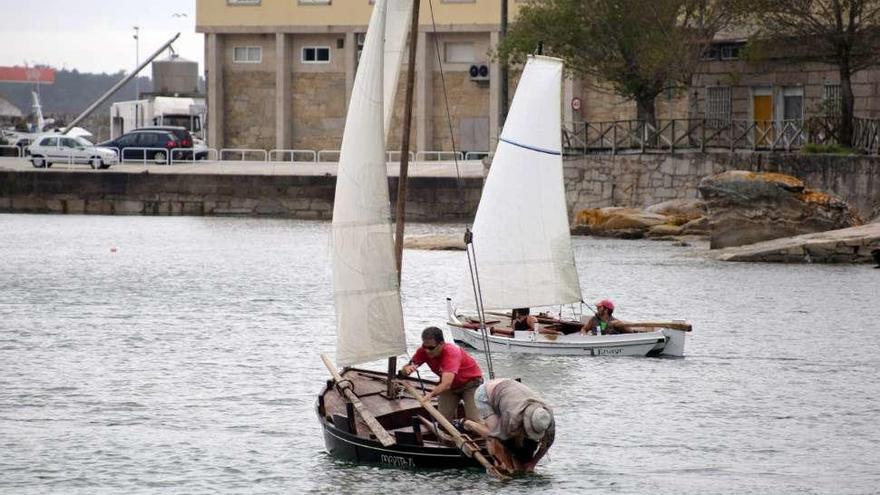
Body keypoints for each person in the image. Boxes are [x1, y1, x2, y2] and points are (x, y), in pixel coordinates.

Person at [469, 378, 555, 474]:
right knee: (493, 431)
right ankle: (468, 423)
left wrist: (532, 464)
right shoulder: (513, 416)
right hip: (486, 393)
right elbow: (498, 437)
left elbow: (548, 443)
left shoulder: (546, 416)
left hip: (509, 391)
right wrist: (509, 467)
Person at [400, 326, 484, 421]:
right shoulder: (423, 351)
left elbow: (446, 384)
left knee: (475, 420)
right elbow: (404, 371)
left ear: (441, 344)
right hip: (451, 386)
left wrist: (430, 395)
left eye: (431, 348)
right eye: (425, 346)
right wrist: (406, 370)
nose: (427, 350)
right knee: (442, 420)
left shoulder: (451, 352)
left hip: (470, 384)